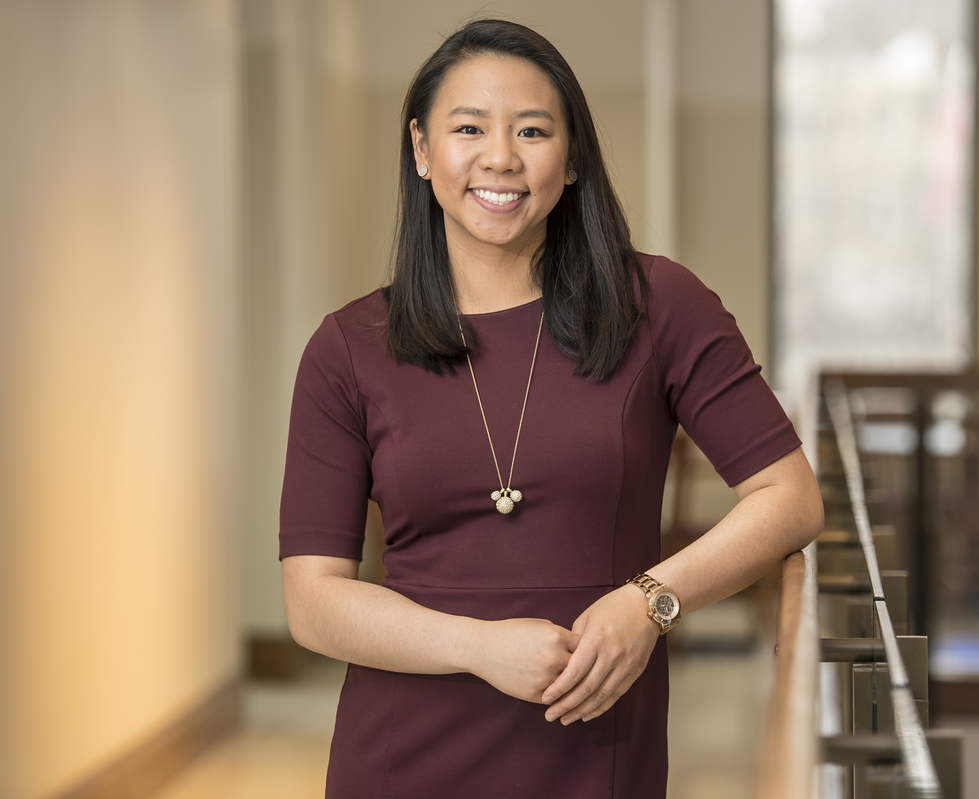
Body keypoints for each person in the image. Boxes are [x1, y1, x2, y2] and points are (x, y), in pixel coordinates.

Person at [279, 18, 823, 799]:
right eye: (469, 128)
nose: (500, 157)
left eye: (532, 130)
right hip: (401, 755)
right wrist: (478, 647)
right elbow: (313, 601)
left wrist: (652, 603)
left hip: (591, 744)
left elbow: (790, 498)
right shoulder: (348, 347)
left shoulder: (660, 305)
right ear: (423, 150)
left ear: (570, 161)